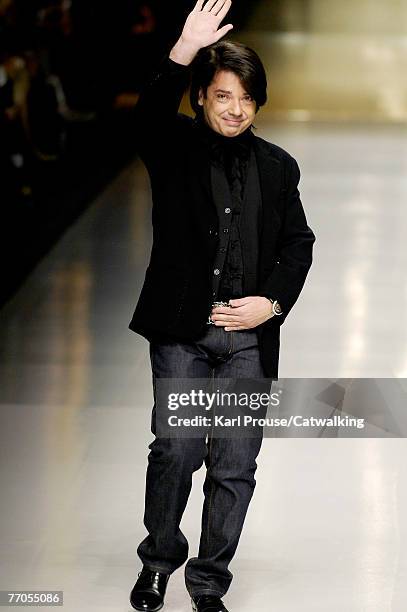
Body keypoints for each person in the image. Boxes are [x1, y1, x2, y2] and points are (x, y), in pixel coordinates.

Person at [128, 1, 315, 611]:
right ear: (201, 97)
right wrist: (183, 47)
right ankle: (158, 559)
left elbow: (297, 243)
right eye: (222, 96)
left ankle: (208, 583)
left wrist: (273, 305)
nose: (235, 109)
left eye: (246, 98)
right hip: (183, 330)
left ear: (258, 103)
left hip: (248, 342)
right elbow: (144, 118)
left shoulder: (278, 168)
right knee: (176, 450)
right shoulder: (174, 148)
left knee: (235, 466)